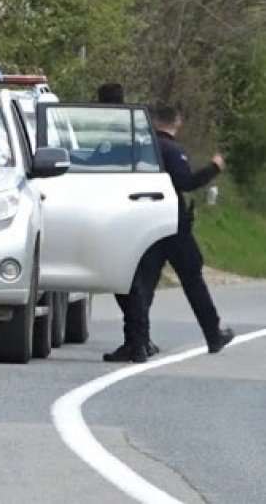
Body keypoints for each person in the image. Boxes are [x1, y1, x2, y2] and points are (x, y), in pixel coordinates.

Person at [107, 104, 234, 362]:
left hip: (144, 224)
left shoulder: (139, 148)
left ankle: (136, 343)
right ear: (176, 122)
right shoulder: (171, 150)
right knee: (192, 280)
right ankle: (213, 334)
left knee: (142, 284)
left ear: (152, 122)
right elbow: (186, 182)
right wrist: (214, 167)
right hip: (173, 226)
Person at [96, 83, 161, 360]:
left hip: (121, 212)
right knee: (138, 280)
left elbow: (98, 163)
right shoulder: (141, 128)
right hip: (148, 211)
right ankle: (141, 340)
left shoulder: (115, 131)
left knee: (128, 281)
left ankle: (137, 343)